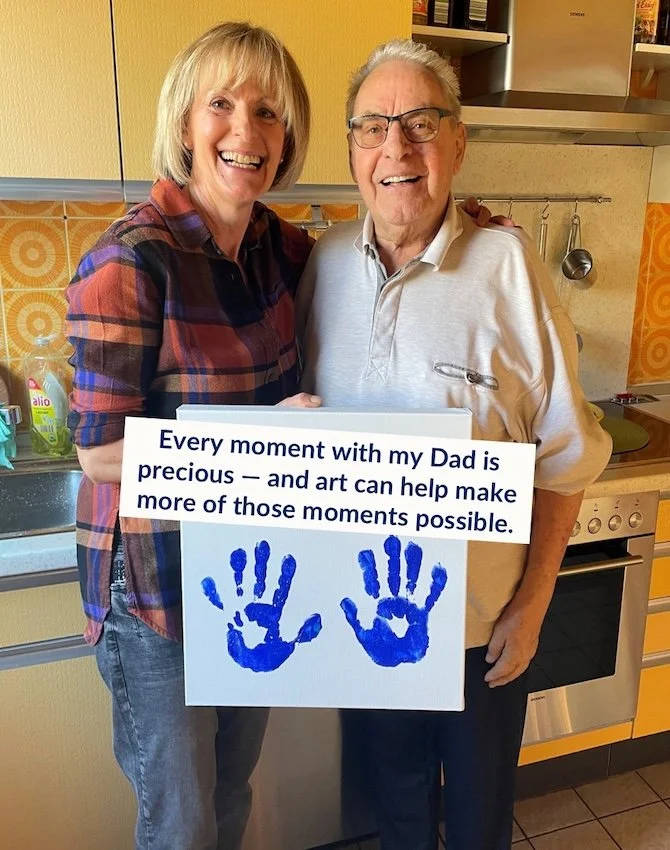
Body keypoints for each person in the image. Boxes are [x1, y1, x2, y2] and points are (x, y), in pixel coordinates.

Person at [296, 39, 612, 850]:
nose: (397, 149)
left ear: (460, 142)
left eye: (421, 122)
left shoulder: (509, 267)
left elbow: (569, 452)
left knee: (476, 827)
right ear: (353, 148)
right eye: (374, 127)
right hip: (361, 621)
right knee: (392, 814)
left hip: (480, 630)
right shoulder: (321, 264)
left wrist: (536, 601)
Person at [65, 22, 320, 850]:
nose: (247, 132)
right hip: (157, 589)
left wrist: (474, 228)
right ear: (185, 124)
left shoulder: (285, 251)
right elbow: (98, 452)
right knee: (180, 825)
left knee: (231, 790)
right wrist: (259, 444)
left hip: (253, 576)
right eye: (222, 104)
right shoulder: (129, 259)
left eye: (270, 113)